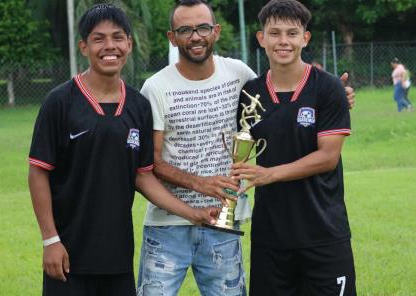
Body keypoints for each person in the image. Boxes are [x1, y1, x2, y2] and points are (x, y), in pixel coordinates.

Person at [137, 1, 355, 295]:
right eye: (185, 30)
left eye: (202, 27)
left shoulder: (245, 76)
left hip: (285, 230)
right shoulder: (163, 86)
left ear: (215, 31)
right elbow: (149, 162)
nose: (196, 36)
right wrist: (205, 184)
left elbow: (321, 146)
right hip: (203, 229)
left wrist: (337, 97)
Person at [28, 4, 218, 296]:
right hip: (67, 253)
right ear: (84, 46)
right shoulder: (60, 102)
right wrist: (50, 240)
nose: (110, 46)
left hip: (117, 257)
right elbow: (38, 172)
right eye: (99, 38)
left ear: (129, 43)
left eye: (118, 37)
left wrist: (194, 213)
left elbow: (142, 177)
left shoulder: (138, 106)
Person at [231, 0, 356, 295]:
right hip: (270, 239)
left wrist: (269, 174)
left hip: (324, 234)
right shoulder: (251, 92)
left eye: (292, 33)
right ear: (261, 39)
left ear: (305, 38)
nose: (283, 41)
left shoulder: (328, 88)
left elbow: (327, 157)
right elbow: (241, 153)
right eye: (274, 33)